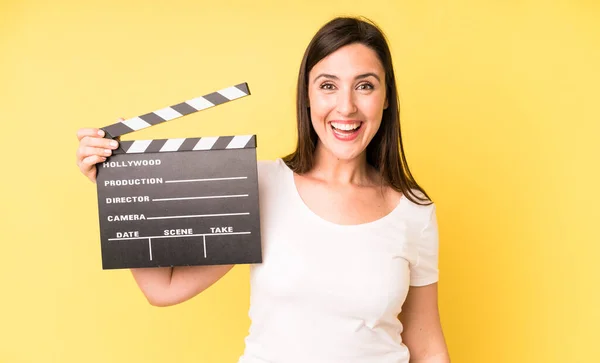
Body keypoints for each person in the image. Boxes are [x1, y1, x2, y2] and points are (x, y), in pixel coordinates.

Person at [75, 16, 450, 363]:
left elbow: (427, 345)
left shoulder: (414, 211)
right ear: (307, 96)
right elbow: (164, 288)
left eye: (365, 86)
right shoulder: (259, 186)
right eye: (328, 86)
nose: (346, 106)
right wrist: (117, 186)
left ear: (386, 99)